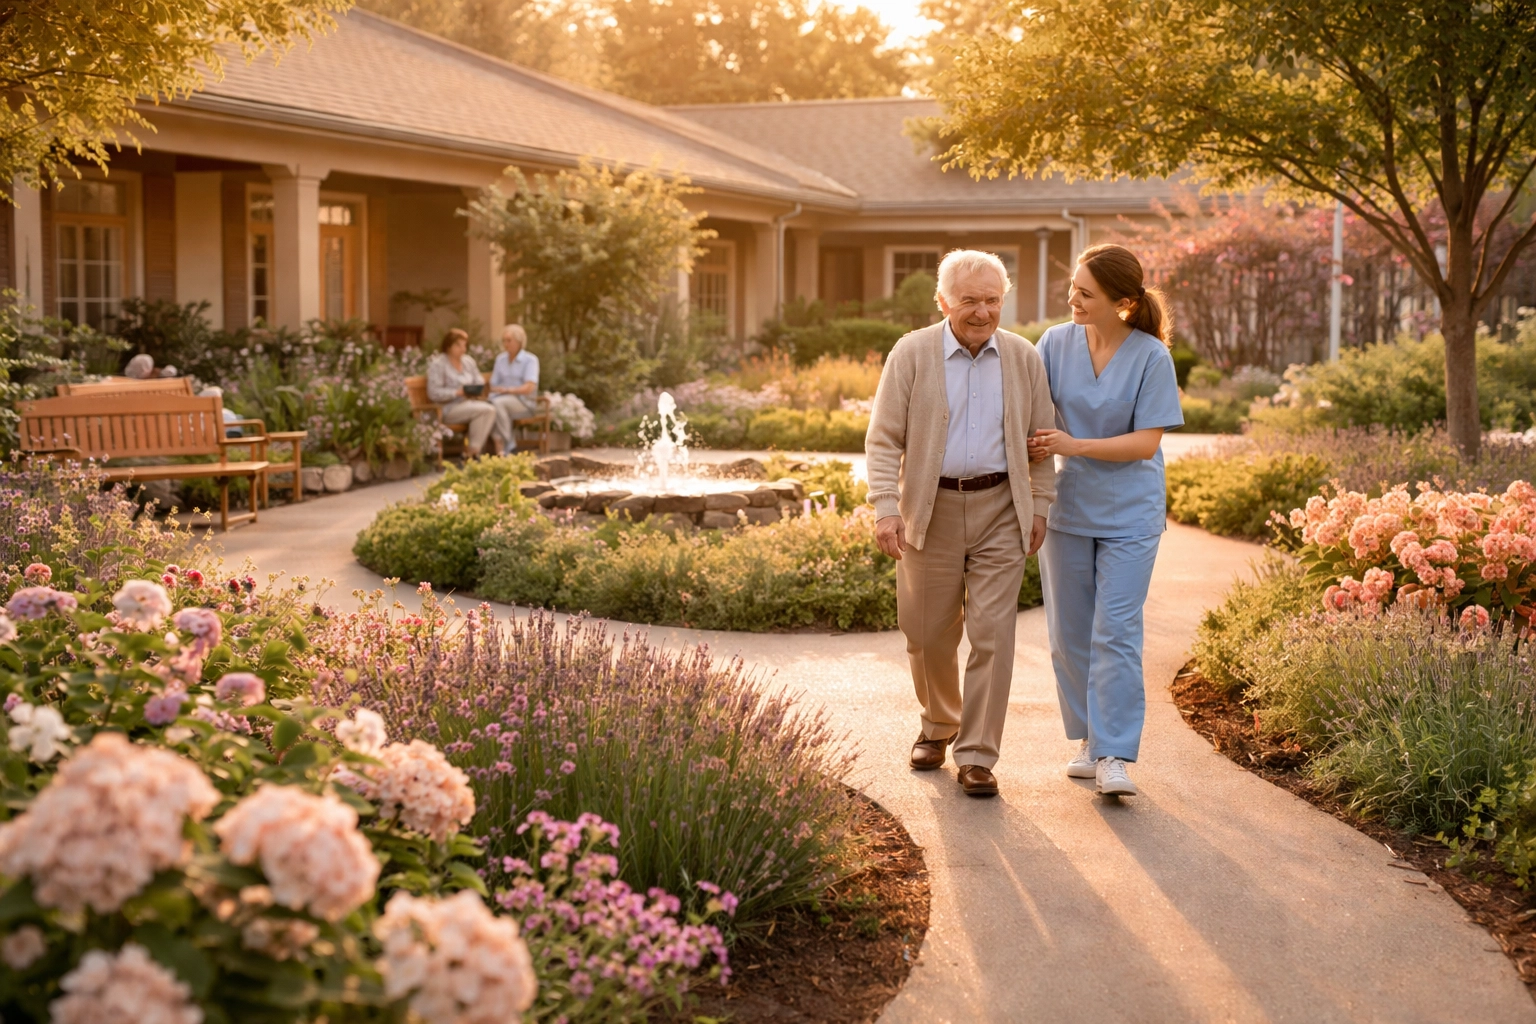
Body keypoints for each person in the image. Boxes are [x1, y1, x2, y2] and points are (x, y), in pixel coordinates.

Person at [866, 249, 1057, 798]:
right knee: (926, 632)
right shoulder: (913, 353)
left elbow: (1042, 441)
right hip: (932, 508)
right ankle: (938, 724)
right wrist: (885, 506)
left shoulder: (1022, 357)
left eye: (992, 300)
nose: (981, 311)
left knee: (993, 633)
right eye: (969, 300)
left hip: (1001, 507)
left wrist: (1039, 505)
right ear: (944, 301)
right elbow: (883, 440)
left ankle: (976, 753)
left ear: (1004, 299)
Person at [1027, 243, 1185, 798]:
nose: (1072, 299)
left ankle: (1115, 754)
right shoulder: (1053, 343)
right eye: (1072, 287)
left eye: (1085, 293)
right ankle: (1090, 741)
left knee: (1114, 632)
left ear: (1121, 302)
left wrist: (1073, 443)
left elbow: (1146, 443)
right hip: (1069, 508)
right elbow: (1028, 411)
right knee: (1068, 637)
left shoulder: (1150, 357)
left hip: (1131, 514)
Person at [426, 328, 496, 458]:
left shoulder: (468, 361)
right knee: (486, 411)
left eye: (464, 345)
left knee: (488, 410)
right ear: (448, 346)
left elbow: (479, 380)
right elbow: (433, 392)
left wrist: (475, 389)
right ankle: (473, 453)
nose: (462, 349)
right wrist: (456, 392)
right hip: (446, 408)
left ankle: (472, 452)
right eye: (458, 345)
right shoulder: (439, 364)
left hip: (469, 403)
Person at [488, 324, 540, 453]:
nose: (505, 344)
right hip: (500, 400)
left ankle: (508, 446)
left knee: (496, 405)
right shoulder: (500, 360)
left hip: (523, 402)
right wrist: (498, 390)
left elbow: (529, 387)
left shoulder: (530, 360)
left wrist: (508, 390)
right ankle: (502, 450)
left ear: (519, 341)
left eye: (509, 340)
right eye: (504, 340)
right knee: (490, 408)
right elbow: (493, 384)